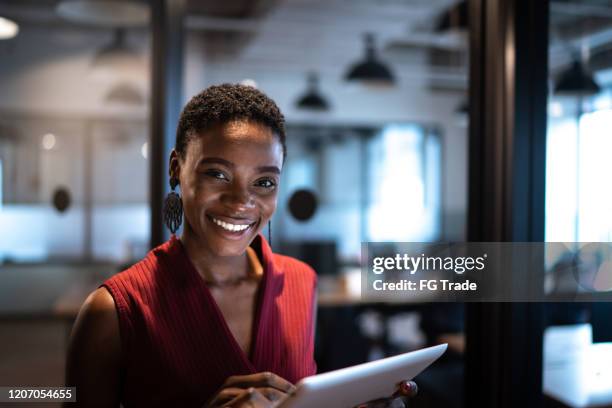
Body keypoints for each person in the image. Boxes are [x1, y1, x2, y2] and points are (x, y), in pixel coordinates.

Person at [65, 84, 414, 408]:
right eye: (217, 174)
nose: (241, 202)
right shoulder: (112, 311)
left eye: (263, 182)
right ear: (177, 168)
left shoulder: (300, 281)